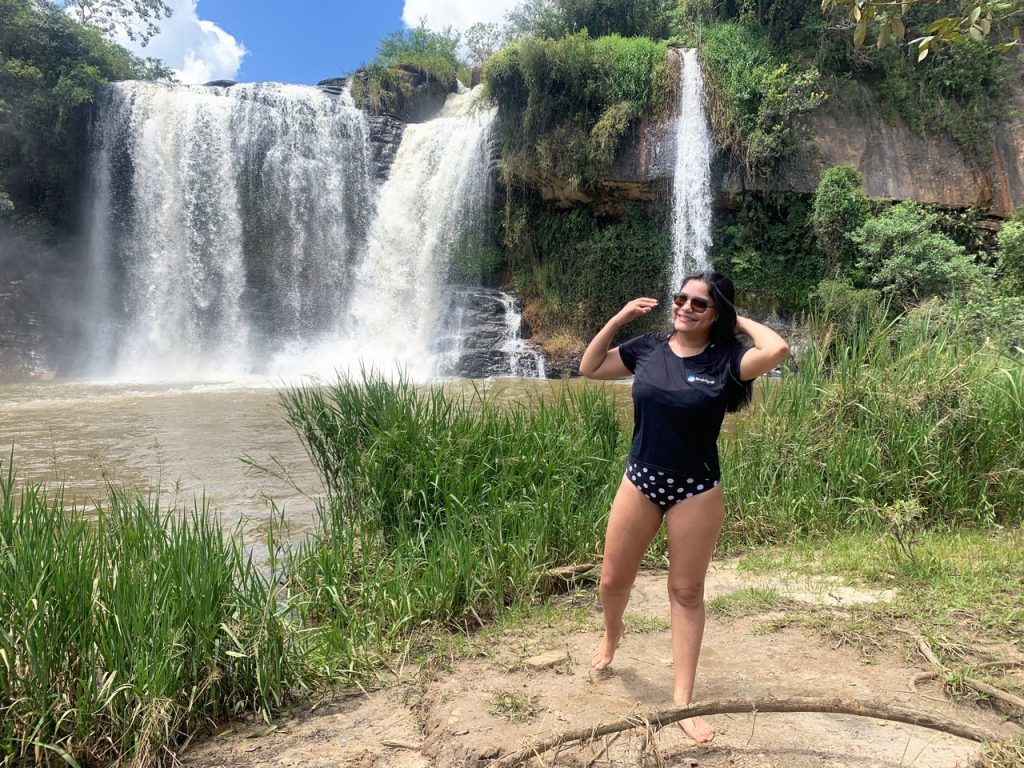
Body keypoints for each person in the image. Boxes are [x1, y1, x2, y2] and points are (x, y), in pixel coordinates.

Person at [578, 271, 788, 744]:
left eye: (699, 304)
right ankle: (613, 632)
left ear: (716, 314)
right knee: (613, 579)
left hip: (696, 488)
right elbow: (589, 367)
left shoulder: (728, 358)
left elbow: (776, 350)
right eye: (681, 298)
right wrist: (617, 320)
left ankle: (683, 704)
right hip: (641, 478)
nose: (686, 308)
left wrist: (737, 320)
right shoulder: (648, 348)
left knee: (686, 592)